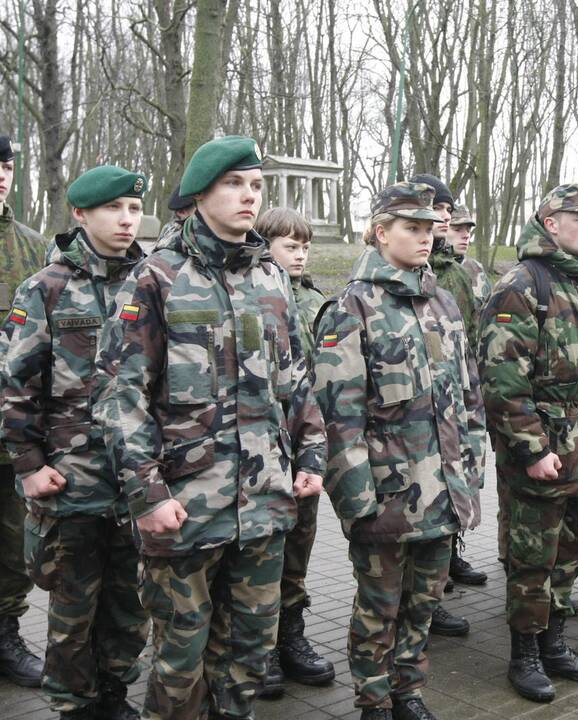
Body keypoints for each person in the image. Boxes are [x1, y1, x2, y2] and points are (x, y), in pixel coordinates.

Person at [95, 136, 326, 720]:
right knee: (180, 657)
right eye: (233, 184)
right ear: (200, 194)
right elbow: (122, 397)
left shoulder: (271, 279)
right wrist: (147, 496)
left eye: (255, 186)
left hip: (265, 503)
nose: (248, 196)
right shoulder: (156, 278)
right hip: (186, 504)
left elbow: (297, 379)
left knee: (249, 651)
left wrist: (311, 458)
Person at [312, 182, 485, 720]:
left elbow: (468, 393)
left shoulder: (443, 302)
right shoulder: (351, 307)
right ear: (380, 232)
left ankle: (408, 691)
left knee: (424, 604)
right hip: (386, 496)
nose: (425, 237)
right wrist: (358, 503)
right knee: (378, 607)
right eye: (412, 227)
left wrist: (473, 466)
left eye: (431, 227)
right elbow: (338, 419)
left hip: (444, 492)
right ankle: (373, 700)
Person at [2, 166, 150, 720]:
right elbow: (14, 385)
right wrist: (29, 465)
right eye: (114, 209)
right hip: (72, 479)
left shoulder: (154, 282)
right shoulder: (47, 288)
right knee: (72, 605)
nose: (126, 220)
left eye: (133, 210)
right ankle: (73, 704)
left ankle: (114, 693)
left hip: (138, 480)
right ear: (82, 215)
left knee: (129, 603)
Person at [478, 183, 578, 703]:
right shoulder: (521, 284)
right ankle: (525, 654)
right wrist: (533, 449)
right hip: (545, 447)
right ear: (549, 222)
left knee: (575, 548)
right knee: (532, 556)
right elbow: (502, 381)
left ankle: (556, 642)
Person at [255, 208, 335, 696]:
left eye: (305, 245)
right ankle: (260, 646)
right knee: (264, 551)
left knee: (299, 547)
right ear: (265, 247)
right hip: (264, 446)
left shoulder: (315, 301)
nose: (301, 253)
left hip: (307, 444)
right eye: (290, 245)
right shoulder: (256, 296)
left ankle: (291, 636)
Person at [408, 173, 484, 637]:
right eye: (434, 209)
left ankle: (449, 561)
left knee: (461, 484)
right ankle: (427, 597)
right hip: (419, 411)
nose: (443, 217)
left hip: (460, 396)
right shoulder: (423, 270)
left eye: (446, 209)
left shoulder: (464, 270)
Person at [0, 132, 47, 689]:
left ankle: (5, 635)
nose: (1, 173)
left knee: (12, 549)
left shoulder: (33, 249)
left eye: (7, 164)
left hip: (10, 435)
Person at [448, 203, 492, 312]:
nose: (466, 235)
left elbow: (491, 313)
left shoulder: (477, 269)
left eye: (468, 230)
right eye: (457, 229)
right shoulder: (426, 270)